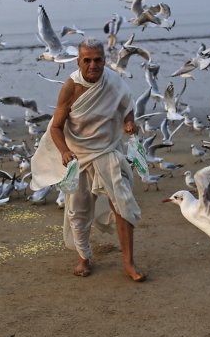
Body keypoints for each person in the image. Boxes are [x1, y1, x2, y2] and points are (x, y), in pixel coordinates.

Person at [30, 38, 145, 281]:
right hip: (79, 157)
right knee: (78, 212)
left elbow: (127, 105)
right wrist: (63, 151)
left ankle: (129, 264)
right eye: (88, 60)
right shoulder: (70, 87)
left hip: (107, 152)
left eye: (98, 60)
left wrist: (129, 123)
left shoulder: (113, 81)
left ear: (104, 60)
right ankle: (84, 258)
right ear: (79, 61)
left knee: (122, 205)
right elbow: (56, 128)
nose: (93, 65)